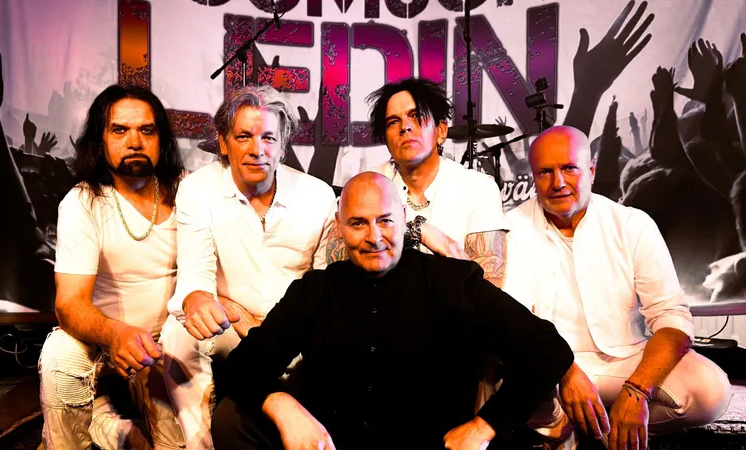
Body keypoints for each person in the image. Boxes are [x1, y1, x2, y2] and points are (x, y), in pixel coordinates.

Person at [210, 171, 574, 450]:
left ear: (403, 218)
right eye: (358, 223)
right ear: (339, 226)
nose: (374, 237)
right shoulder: (316, 290)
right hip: (335, 444)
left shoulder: (453, 283)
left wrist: (485, 426)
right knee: (231, 417)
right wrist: (283, 407)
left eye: (384, 220)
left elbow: (548, 349)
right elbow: (245, 365)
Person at [504, 125, 733, 449]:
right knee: (501, 374)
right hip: (550, 368)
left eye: (569, 168)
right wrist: (564, 370)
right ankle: (561, 431)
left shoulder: (632, 224)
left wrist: (637, 392)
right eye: (545, 172)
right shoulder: (510, 229)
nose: (558, 183)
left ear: (591, 170)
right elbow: (516, 325)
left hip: (625, 360)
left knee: (711, 391)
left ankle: (613, 433)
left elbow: (670, 317)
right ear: (533, 177)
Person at [160, 84, 337, 448]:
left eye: (268, 137)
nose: (257, 149)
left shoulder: (317, 195)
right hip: (231, 329)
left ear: (283, 145)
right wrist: (200, 300)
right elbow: (195, 275)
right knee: (179, 333)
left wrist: (279, 330)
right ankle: (199, 444)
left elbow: (326, 289)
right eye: (244, 136)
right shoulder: (198, 189)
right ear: (223, 143)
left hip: (298, 335)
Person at [38, 85, 185, 449]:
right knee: (59, 355)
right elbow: (69, 304)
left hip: (169, 344)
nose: (134, 141)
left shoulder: (190, 193)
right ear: (100, 140)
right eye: (119, 130)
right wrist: (115, 334)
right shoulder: (83, 201)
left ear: (162, 139)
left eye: (146, 130)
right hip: (103, 343)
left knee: (176, 443)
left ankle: (105, 422)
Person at [325, 78, 508, 287]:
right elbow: (337, 265)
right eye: (393, 122)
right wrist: (417, 231)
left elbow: (488, 286)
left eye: (416, 116)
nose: (405, 127)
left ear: (441, 131)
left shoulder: (479, 188)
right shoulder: (365, 187)